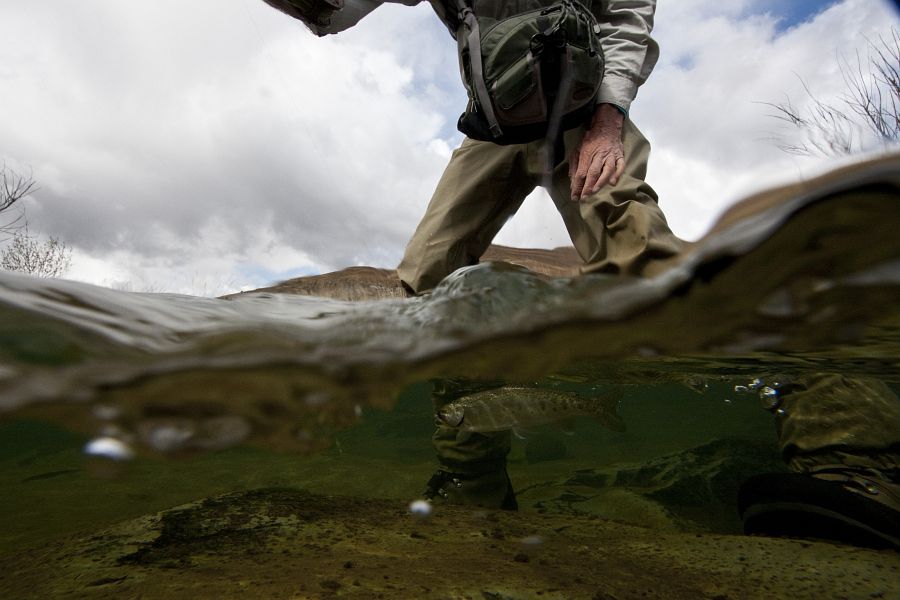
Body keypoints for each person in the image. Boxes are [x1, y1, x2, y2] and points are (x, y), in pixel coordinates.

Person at [262, 0, 900, 549]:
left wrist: (608, 118)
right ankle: (475, 484)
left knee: (655, 285)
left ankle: (849, 466)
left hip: (585, 121)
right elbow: (336, 11)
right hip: (492, 135)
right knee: (421, 295)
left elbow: (627, 12)